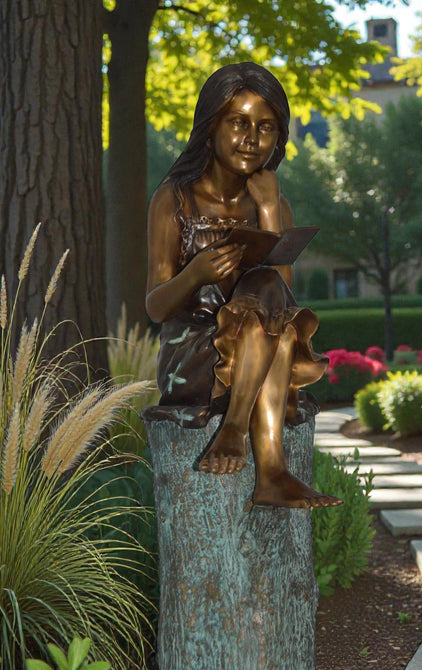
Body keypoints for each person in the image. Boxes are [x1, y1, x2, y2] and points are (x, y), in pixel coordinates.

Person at [146, 62, 342, 509]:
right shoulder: (174, 198)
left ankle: (246, 443)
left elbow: (283, 297)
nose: (252, 138)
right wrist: (195, 274)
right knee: (270, 307)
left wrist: (270, 210)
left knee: (269, 296)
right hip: (196, 353)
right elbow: (156, 306)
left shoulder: (274, 202)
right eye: (238, 122)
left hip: (264, 349)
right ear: (211, 125)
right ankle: (265, 464)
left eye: (266, 127)